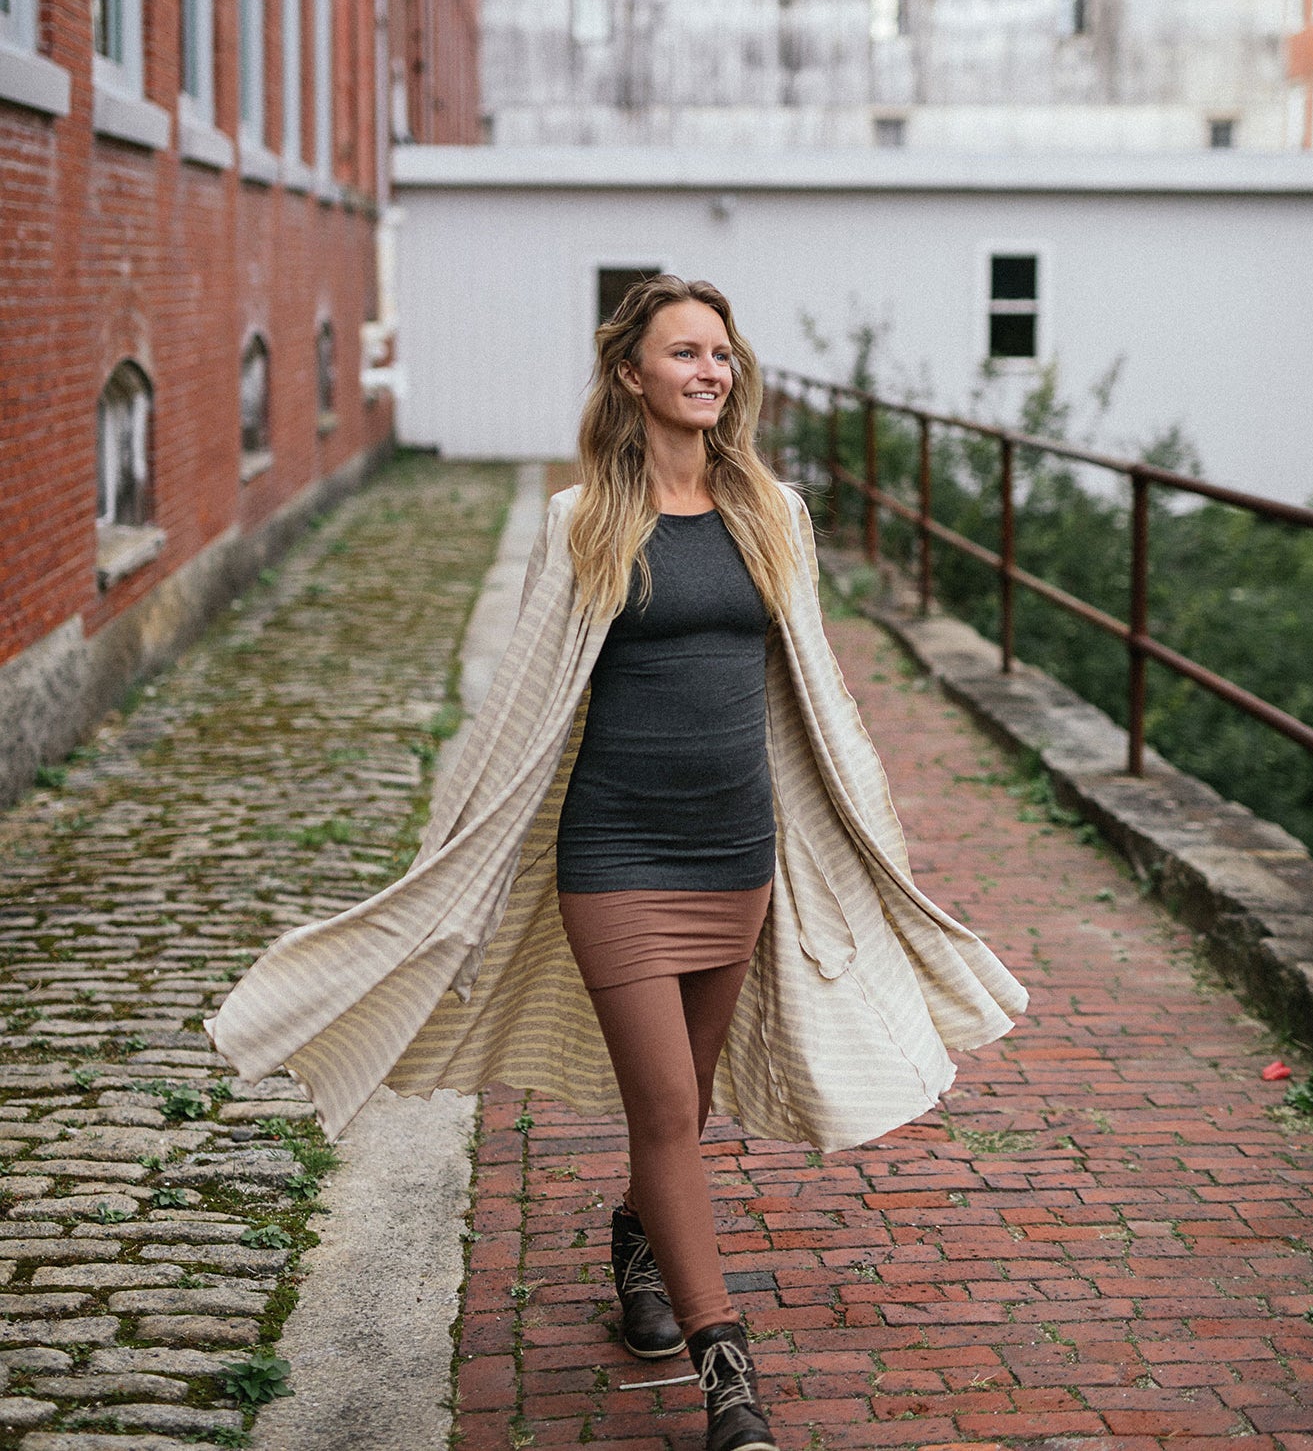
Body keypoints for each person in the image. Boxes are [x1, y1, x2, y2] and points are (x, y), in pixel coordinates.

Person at [206, 277, 1027, 1451]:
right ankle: (726, 1372)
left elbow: (812, 692)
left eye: (722, 354)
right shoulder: (582, 519)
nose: (710, 370)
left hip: (735, 854)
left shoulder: (771, 512)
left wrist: (857, 824)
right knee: (666, 1112)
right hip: (618, 856)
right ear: (632, 374)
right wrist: (458, 848)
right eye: (685, 353)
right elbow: (527, 702)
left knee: (681, 1108)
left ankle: (636, 1242)